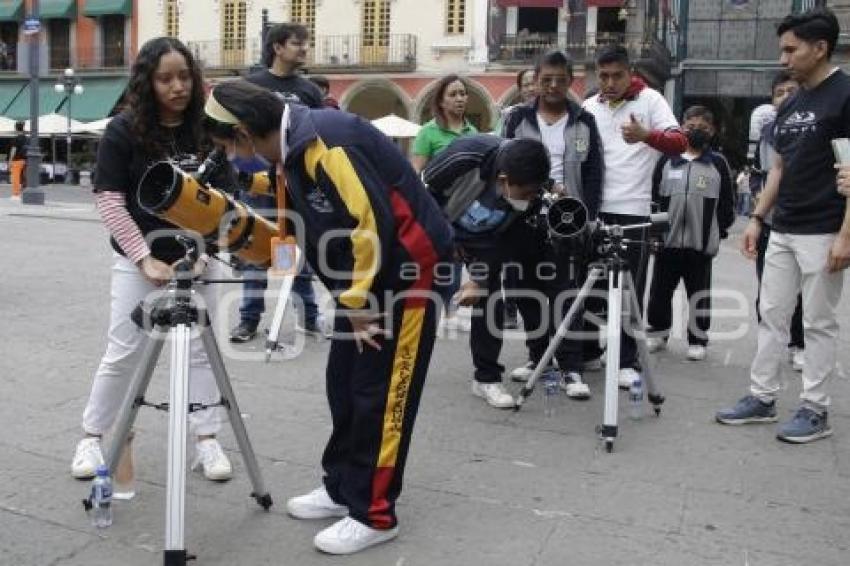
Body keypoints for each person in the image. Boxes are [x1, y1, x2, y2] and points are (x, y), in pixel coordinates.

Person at [203, 80, 453, 554]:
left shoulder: (326, 142)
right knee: (345, 385)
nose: (234, 157)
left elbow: (370, 223)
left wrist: (356, 305)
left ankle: (375, 513)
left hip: (406, 277)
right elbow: (297, 192)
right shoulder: (293, 146)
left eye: (229, 148)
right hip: (363, 280)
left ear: (243, 131)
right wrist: (238, 186)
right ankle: (342, 488)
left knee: (382, 397)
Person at [70, 37, 233, 483]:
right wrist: (144, 259)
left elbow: (226, 198)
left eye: (184, 76)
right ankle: (92, 435)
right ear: (148, 82)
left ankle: (207, 440)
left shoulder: (206, 126)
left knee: (201, 351)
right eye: (165, 78)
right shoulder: (124, 129)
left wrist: (208, 252)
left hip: (198, 261)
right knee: (123, 352)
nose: (177, 86)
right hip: (139, 261)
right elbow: (109, 200)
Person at [716, 8, 850, 443]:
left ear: (820, 48)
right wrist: (757, 218)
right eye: (782, 50)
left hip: (825, 228)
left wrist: (846, 235)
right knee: (771, 315)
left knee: (817, 322)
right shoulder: (792, 102)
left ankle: (815, 409)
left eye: (791, 49)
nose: (783, 58)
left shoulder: (845, 95)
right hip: (783, 226)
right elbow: (778, 167)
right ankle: (762, 397)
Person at [424, 133, 594, 407]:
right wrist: (446, 242)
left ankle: (486, 378)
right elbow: (423, 198)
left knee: (489, 298)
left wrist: (479, 278)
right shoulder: (465, 156)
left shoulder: (529, 195)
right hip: (445, 226)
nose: (528, 200)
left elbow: (504, 241)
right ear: (502, 180)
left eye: (533, 193)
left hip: (488, 238)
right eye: (525, 194)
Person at [583, 45, 687, 388]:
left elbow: (679, 142)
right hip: (594, 210)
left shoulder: (651, 100)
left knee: (629, 289)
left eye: (617, 75)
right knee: (589, 285)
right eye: (604, 75)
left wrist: (647, 136)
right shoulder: (588, 106)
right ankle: (587, 352)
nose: (610, 82)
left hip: (632, 211)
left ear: (631, 73)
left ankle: (626, 359)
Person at [501, 50, 604, 396]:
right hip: (524, 216)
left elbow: (593, 173)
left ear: (570, 80)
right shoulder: (517, 120)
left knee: (567, 293)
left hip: (567, 220)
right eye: (547, 79)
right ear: (536, 79)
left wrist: (587, 216)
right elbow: (504, 164)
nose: (554, 86)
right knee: (527, 290)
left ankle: (571, 367)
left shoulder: (584, 121)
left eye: (561, 79)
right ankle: (537, 357)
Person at [230, 22, 325, 343]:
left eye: (305, 43)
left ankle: (309, 317)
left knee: (294, 255)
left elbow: (319, 135)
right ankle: (248, 320)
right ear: (278, 48)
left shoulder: (310, 91)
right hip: (258, 185)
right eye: (298, 43)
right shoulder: (252, 86)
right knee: (256, 251)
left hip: (296, 185)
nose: (304, 49)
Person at [645, 106, 735, 361]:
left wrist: (718, 233)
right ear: (681, 127)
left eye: (703, 128)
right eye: (691, 126)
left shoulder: (717, 163)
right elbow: (654, 199)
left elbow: (727, 204)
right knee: (660, 291)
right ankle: (659, 333)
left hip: (701, 243)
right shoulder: (666, 159)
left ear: (712, 132)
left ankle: (697, 340)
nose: (696, 131)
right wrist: (654, 234)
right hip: (667, 242)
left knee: (699, 293)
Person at [411, 74, 478, 331]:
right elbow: (415, 171)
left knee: (459, 258)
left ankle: (449, 309)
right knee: (442, 259)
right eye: (453, 94)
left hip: (468, 207)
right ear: (440, 101)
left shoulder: (472, 131)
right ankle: (439, 309)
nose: (460, 98)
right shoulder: (428, 132)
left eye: (463, 93)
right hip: (438, 206)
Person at [750, 71, 805, 372]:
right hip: (771, 222)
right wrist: (757, 215)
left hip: (807, 222)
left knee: (804, 293)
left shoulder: (814, 126)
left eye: (791, 90)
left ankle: (799, 344)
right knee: (769, 289)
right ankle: (768, 344)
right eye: (779, 92)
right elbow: (765, 173)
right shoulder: (769, 132)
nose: (785, 97)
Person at [8, 120, 27, 201]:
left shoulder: (16, 139)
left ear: (16, 128)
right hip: (24, 160)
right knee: (23, 178)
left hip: (16, 160)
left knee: (15, 178)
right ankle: (22, 193)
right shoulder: (26, 138)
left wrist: (10, 161)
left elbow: (13, 150)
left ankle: (16, 194)